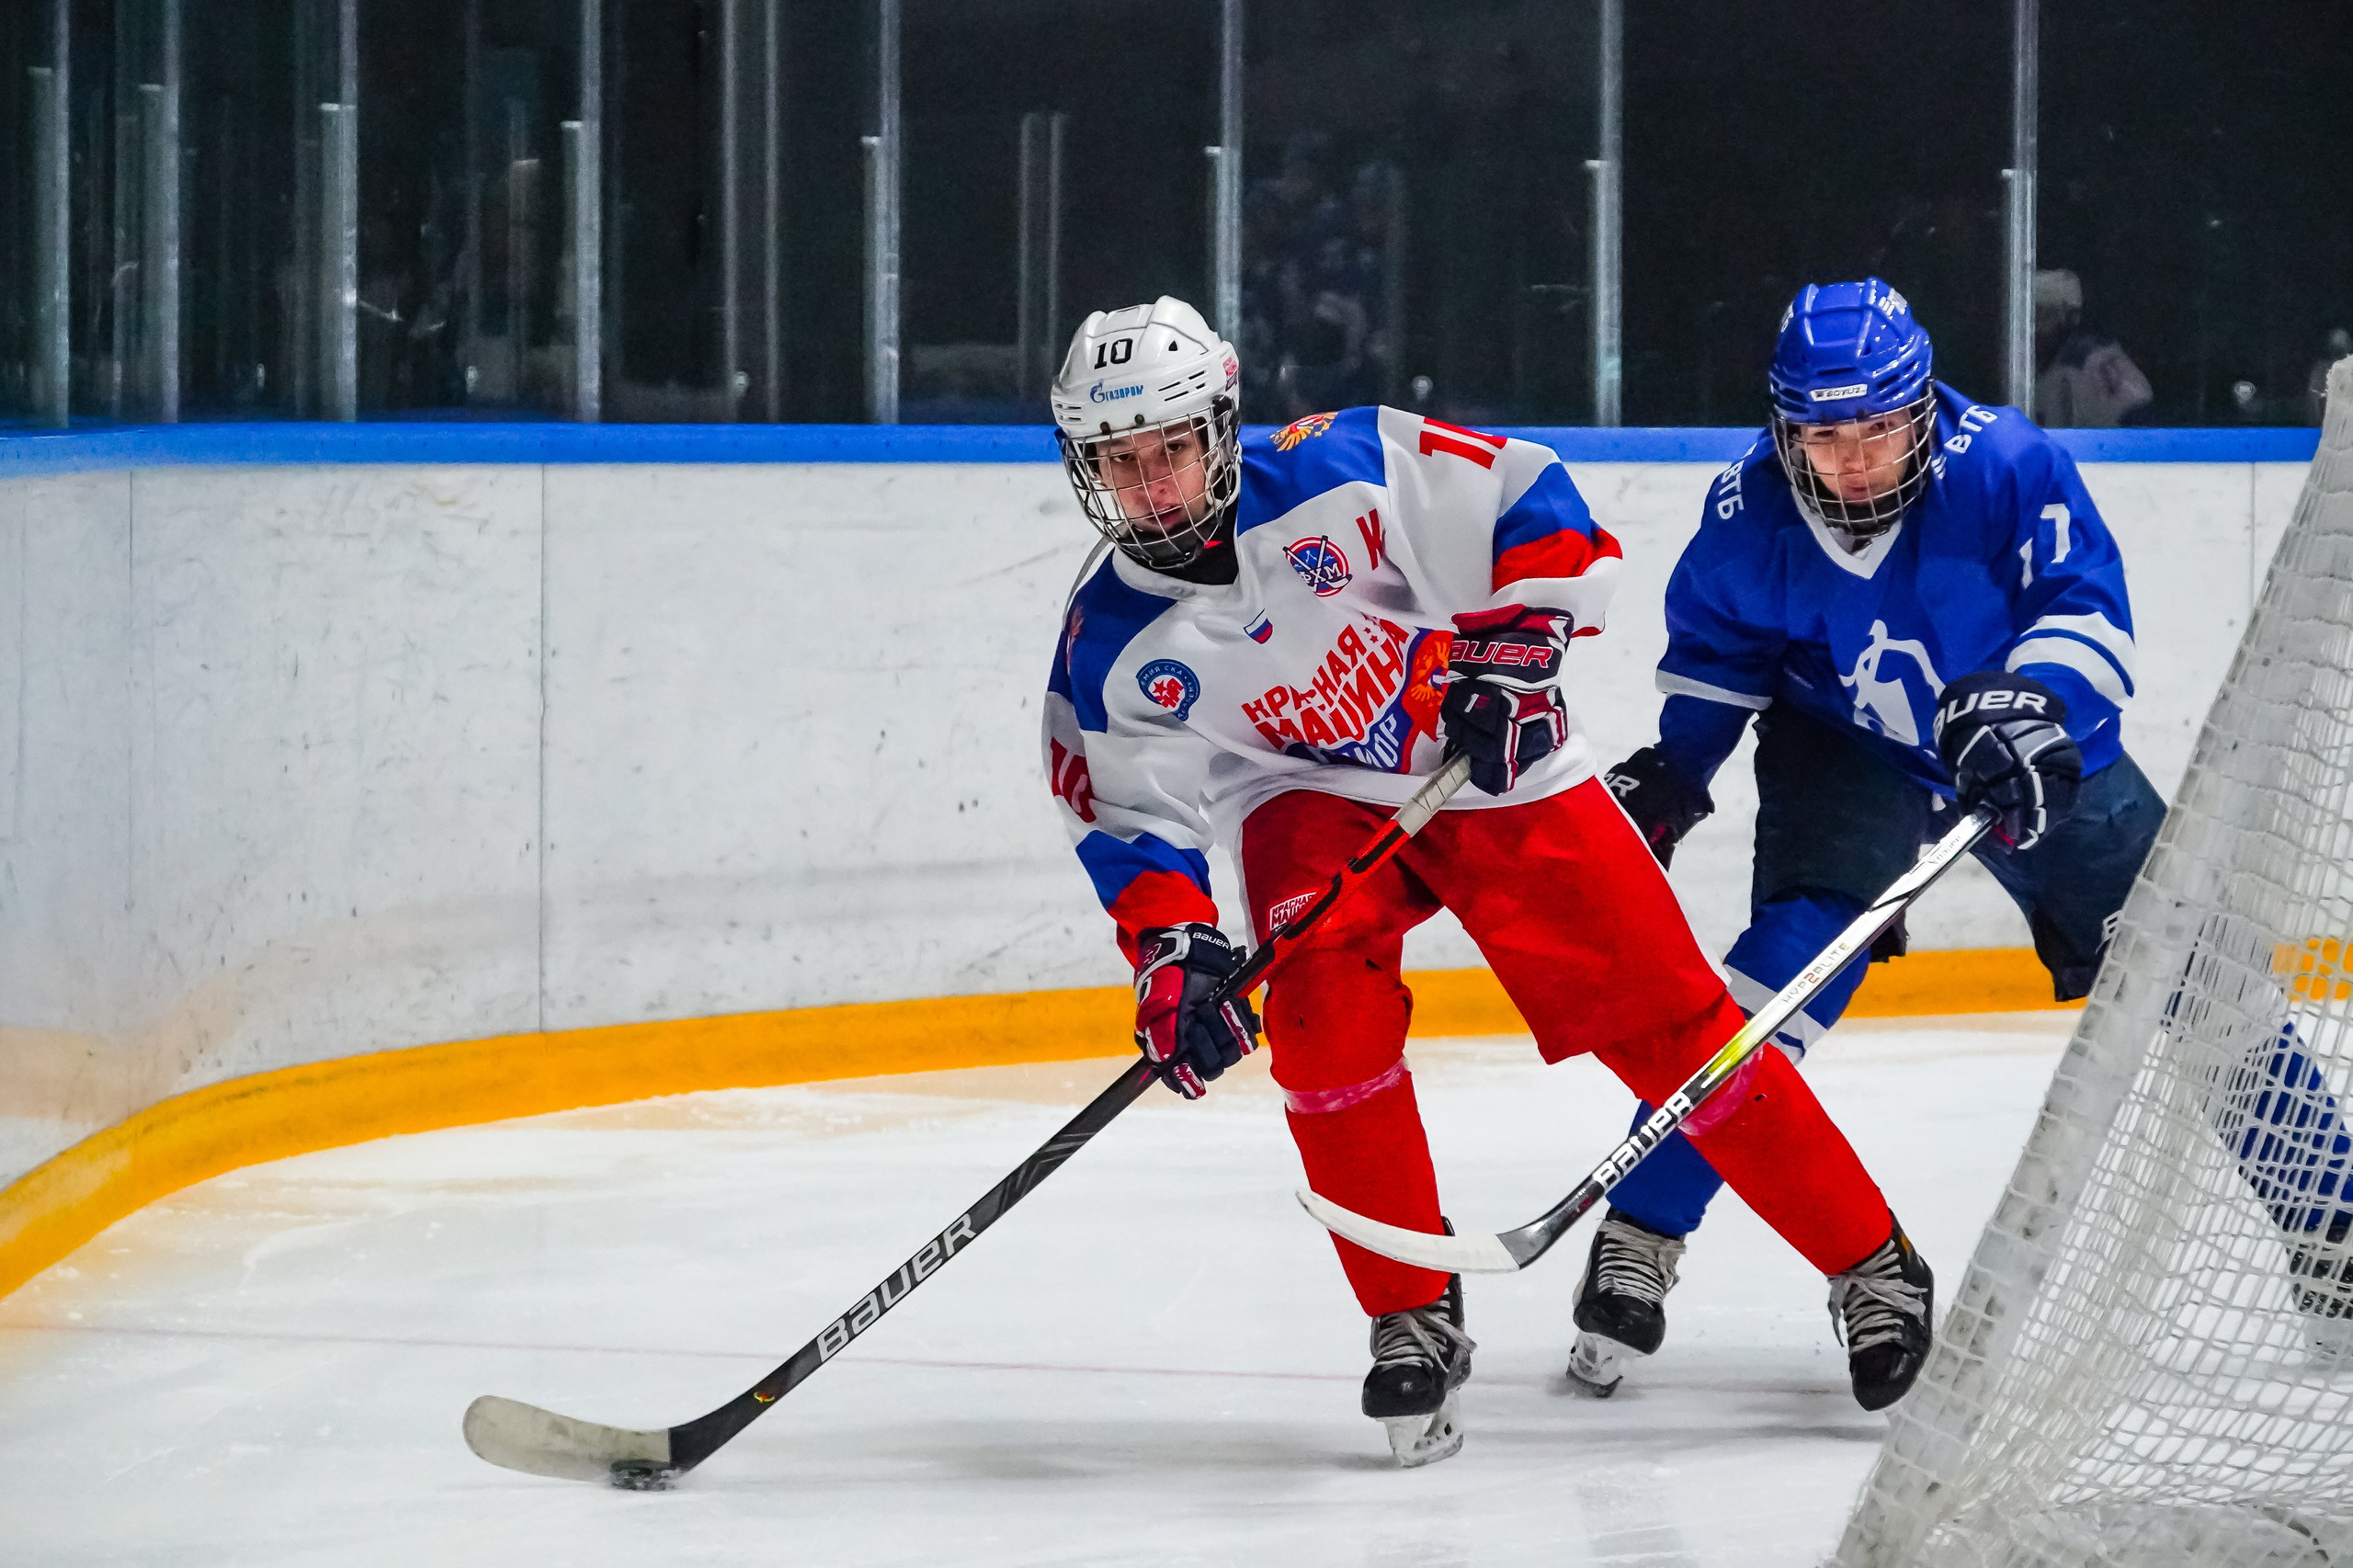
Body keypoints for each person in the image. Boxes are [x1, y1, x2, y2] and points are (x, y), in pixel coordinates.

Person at [1040, 295, 1936, 1468]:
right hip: (1302, 799)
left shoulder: (1346, 466)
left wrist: (1519, 640)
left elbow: (1530, 498)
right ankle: (1408, 1308)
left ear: (1220, 423)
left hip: (1486, 757)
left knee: (1675, 1028)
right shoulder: (1105, 644)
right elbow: (1129, 821)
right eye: (1121, 461)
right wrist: (1174, 955)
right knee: (1319, 1021)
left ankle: (1871, 1263)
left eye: (1171, 448)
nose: (1154, 486)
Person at [1583, 278, 2353, 1396]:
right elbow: (1718, 659)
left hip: (2023, 738)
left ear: (1923, 412)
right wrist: (1677, 769)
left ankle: (2334, 1229)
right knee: (1778, 974)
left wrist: (2032, 702)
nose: (1850, 461)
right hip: (1839, 740)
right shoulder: (1748, 510)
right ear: (1784, 428)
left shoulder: (2005, 465)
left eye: (1877, 430)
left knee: (2195, 966)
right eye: (1823, 435)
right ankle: (1642, 1228)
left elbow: (2088, 612)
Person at [2032, 268, 2153, 428]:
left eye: (2040, 315)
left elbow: (2139, 426)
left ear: (2063, 317)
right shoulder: (2034, 364)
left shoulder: (2093, 363)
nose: (2033, 327)